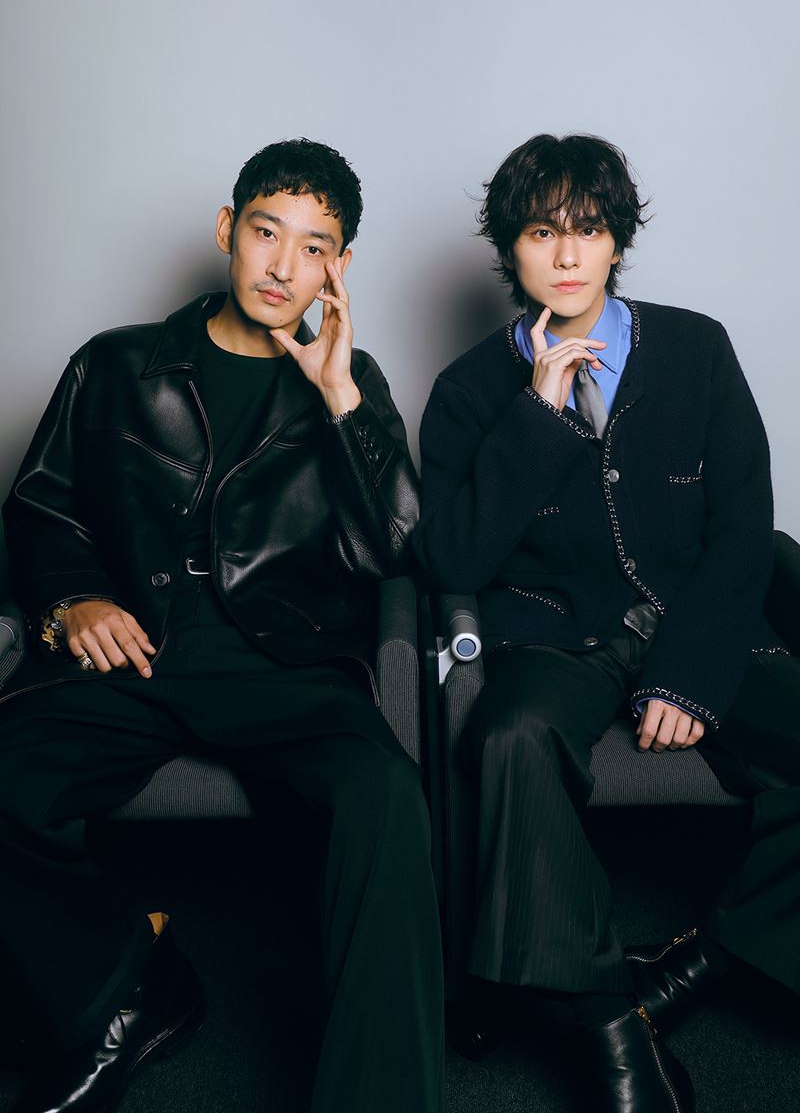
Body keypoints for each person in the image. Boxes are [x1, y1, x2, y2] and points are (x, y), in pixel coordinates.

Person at [0, 138, 444, 1113]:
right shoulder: (116, 365)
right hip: (140, 653)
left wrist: (340, 398)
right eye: (265, 233)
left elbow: (400, 550)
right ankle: (122, 989)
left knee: (385, 799)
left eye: (313, 247)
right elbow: (39, 511)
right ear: (225, 231)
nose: (283, 266)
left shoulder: (351, 383)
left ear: (339, 267)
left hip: (289, 664)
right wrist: (74, 599)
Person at [413, 132, 799, 1112]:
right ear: (511, 247)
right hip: (556, 633)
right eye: (541, 232)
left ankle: (701, 963)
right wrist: (537, 418)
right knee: (507, 739)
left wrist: (689, 673)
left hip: (698, 620)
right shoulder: (467, 390)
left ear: (616, 241)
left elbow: (744, 524)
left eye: (587, 230)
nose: (567, 254)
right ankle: (610, 1020)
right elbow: (450, 561)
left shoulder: (697, 349)